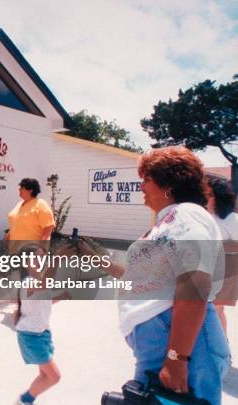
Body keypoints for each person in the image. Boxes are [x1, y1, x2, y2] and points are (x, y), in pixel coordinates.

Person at [97, 147, 229, 405]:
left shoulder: (186, 214)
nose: (141, 186)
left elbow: (195, 283)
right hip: (162, 345)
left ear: (168, 183)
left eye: (146, 178)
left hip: (184, 346)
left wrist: (176, 358)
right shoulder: (166, 222)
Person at [14, 245, 61, 405]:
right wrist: (57, 259)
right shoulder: (28, 283)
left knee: (45, 376)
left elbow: (45, 300)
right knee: (55, 376)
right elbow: (43, 285)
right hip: (31, 336)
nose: (41, 260)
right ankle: (24, 400)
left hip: (43, 333)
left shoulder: (40, 282)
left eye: (42, 257)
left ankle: (26, 400)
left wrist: (63, 296)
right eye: (36, 257)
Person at [206, 176, 238, 335]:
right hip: (208, 268)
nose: (206, 199)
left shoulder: (232, 219)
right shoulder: (206, 217)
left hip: (228, 270)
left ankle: (222, 348)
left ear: (220, 198)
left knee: (216, 309)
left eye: (210, 195)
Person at [6, 178, 55, 252]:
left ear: (30, 190)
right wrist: (7, 238)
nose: (19, 190)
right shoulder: (19, 204)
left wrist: (41, 248)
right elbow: (16, 223)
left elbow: (48, 228)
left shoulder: (40, 204)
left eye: (22, 188)